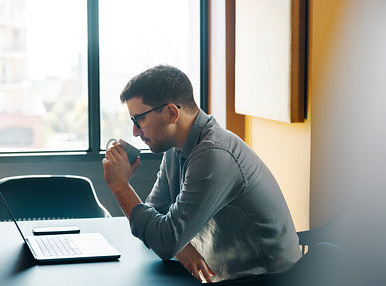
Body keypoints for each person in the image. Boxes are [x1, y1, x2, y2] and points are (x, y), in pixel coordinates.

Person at [102, 65, 301, 283]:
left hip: (270, 278)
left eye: (139, 119)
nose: (135, 132)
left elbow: (164, 241)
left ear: (171, 113)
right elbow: (155, 215)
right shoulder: (176, 148)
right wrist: (181, 246)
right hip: (225, 273)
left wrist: (120, 186)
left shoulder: (213, 155)